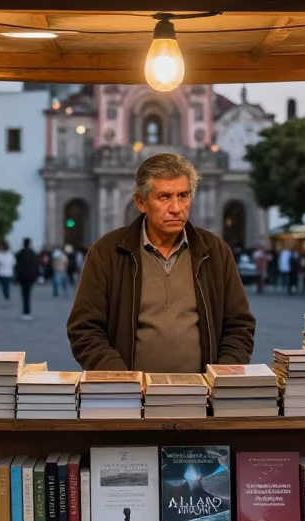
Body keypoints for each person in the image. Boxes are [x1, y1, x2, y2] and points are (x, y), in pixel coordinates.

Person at [67, 153, 255, 372]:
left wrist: (222, 375)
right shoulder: (107, 252)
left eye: (183, 196)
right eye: (164, 197)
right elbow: (84, 329)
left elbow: (239, 326)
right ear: (140, 202)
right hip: (131, 398)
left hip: (201, 396)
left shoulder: (214, 251)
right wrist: (120, 378)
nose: (176, 208)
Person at [15, 237, 40, 321]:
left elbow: (17, 267)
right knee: (28, 294)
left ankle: (25, 312)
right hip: (31, 277)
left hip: (22, 277)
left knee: (24, 294)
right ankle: (28, 312)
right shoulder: (34, 254)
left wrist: (17, 277)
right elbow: (36, 266)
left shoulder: (19, 253)